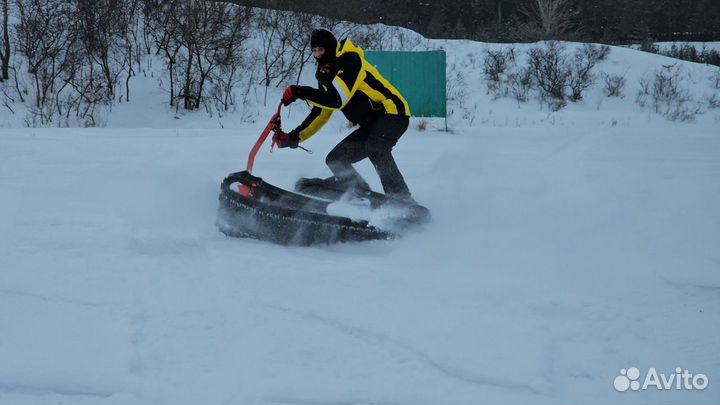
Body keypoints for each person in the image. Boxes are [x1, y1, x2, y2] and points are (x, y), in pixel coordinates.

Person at [275, 28, 415, 203]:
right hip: (371, 124)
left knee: (376, 147)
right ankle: (359, 193)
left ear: (331, 48)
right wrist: (294, 137)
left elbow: (337, 99)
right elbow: (321, 113)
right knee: (336, 159)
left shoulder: (350, 61)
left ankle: (402, 200)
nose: (317, 55)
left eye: (321, 50)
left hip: (393, 112)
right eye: (314, 51)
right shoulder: (327, 75)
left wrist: (299, 92)